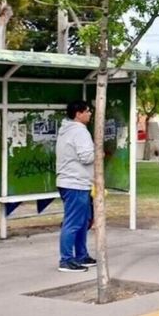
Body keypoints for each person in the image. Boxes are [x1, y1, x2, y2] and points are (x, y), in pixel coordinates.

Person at [56, 100, 96, 273]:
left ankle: (81, 255)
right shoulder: (80, 131)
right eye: (87, 111)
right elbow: (86, 157)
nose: (90, 114)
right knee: (73, 222)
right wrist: (98, 152)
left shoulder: (66, 130)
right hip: (75, 183)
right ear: (78, 114)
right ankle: (66, 259)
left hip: (74, 181)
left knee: (82, 221)